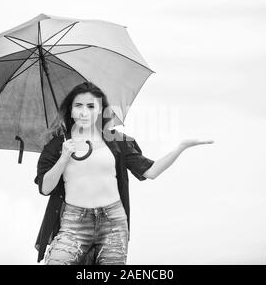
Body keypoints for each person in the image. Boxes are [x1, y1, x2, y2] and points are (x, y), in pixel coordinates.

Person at [34, 82, 210, 265]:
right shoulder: (57, 146)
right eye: (78, 106)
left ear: (101, 110)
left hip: (113, 222)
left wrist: (181, 147)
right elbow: (45, 188)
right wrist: (63, 158)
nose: (84, 112)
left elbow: (151, 171)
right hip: (74, 222)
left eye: (91, 106)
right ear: (70, 110)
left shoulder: (117, 140)